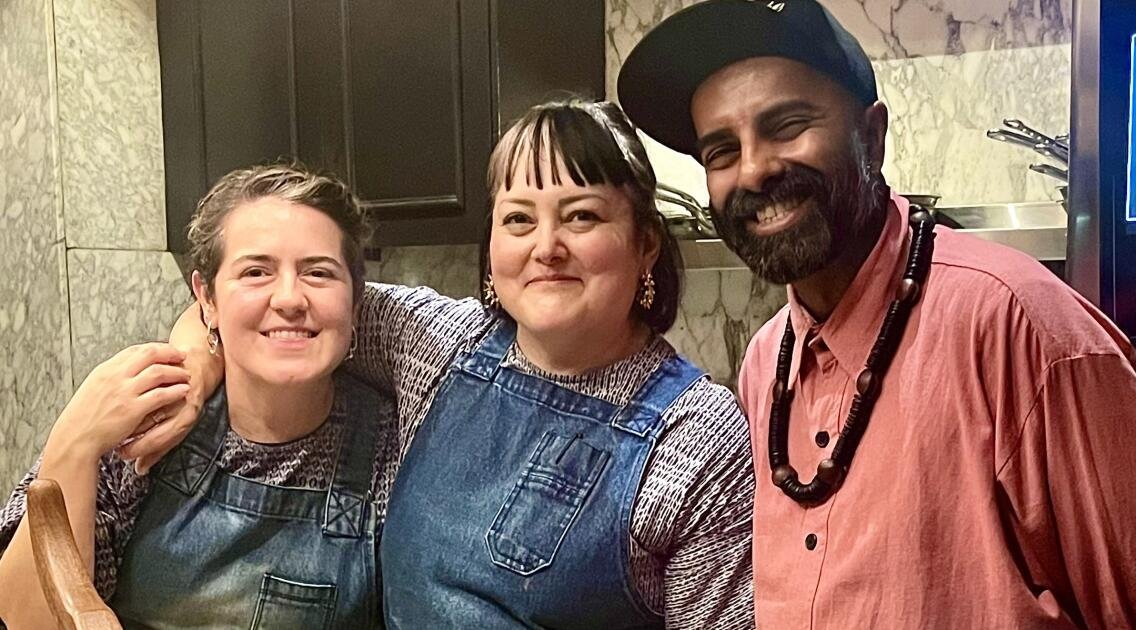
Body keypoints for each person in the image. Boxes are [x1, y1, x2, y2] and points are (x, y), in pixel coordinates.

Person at [617, 0, 1136, 628]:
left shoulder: (1019, 327)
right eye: (722, 152)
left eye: (787, 125)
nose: (755, 169)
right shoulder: (766, 362)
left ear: (872, 137)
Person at [151, 99, 754, 628]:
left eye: (582, 216)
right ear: (492, 245)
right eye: (519, 219)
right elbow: (281, 312)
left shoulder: (699, 436)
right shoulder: (437, 344)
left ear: (645, 243)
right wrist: (195, 367)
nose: (546, 247)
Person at [0, 163, 397, 628]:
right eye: (256, 272)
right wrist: (74, 442)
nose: (289, 299)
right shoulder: (141, 421)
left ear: (355, 302)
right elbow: (26, 621)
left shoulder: (395, 452)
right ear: (206, 299)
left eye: (318, 273)